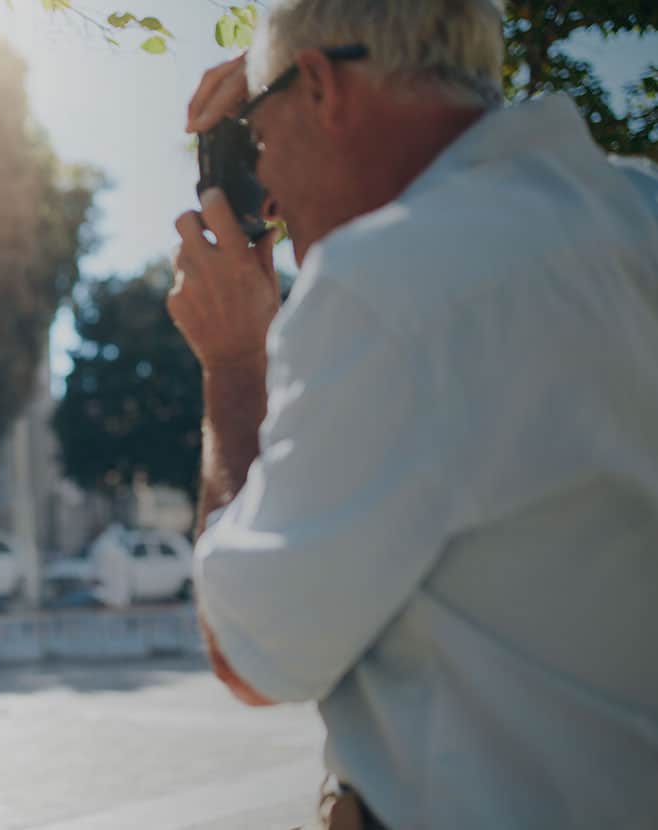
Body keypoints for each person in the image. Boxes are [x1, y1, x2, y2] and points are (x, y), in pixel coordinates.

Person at [168, 1, 658, 828]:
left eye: (257, 129)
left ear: (321, 85)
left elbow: (252, 655)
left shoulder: (388, 284)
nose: (268, 185)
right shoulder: (638, 207)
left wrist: (234, 365)